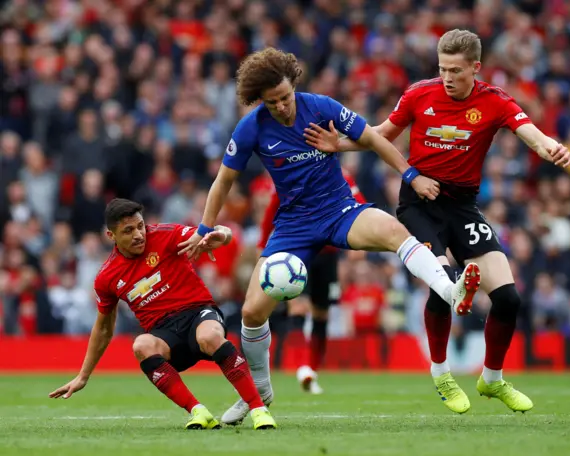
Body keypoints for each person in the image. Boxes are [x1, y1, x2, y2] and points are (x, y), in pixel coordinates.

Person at [178, 48, 481, 425]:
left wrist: (410, 175)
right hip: (292, 226)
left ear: (294, 87)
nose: (283, 107)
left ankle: (450, 289)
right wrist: (205, 228)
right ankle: (259, 393)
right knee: (253, 312)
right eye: (273, 103)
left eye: (286, 98)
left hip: (339, 209)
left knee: (391, 229)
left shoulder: (320, 106)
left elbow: (373, 138)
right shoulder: (252, 126)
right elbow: (224, 180)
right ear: (261, 100)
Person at [304, 29, 570, 414]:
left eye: (456, 71)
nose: (447, 77)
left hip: (462, 207)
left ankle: (492, 379)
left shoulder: (494, 101)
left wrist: (550, 146)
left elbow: (529, 132)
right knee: (442, 282)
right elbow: (381, 135)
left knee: (508, 298)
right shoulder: (418, 94)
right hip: (419, 203)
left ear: (476, 68)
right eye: (442, 68)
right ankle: (441, 373)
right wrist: (340, 144)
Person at [48, 198, 276, 430]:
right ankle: (199, 412)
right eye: (128, 230)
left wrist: (222, 235)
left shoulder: (167, 234)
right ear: (111, 236)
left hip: (199, 314)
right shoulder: (106, 277)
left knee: (209, 336)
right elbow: (104, 328)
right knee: (141, 345)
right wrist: (83, 376)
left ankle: (259, 409)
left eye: (140, 226)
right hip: (166, 334)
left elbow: (214, 233)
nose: (139, 234)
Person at [257, 168, 366, 394]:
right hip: (297, 249)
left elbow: (359, 202)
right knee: (297, 306)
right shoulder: (293, 172)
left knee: (321, 314)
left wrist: (361, 242)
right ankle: (302, 367)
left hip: (326, 254)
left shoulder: (340, 174)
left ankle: (311, 372)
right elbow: (273, 207)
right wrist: (263, 243)